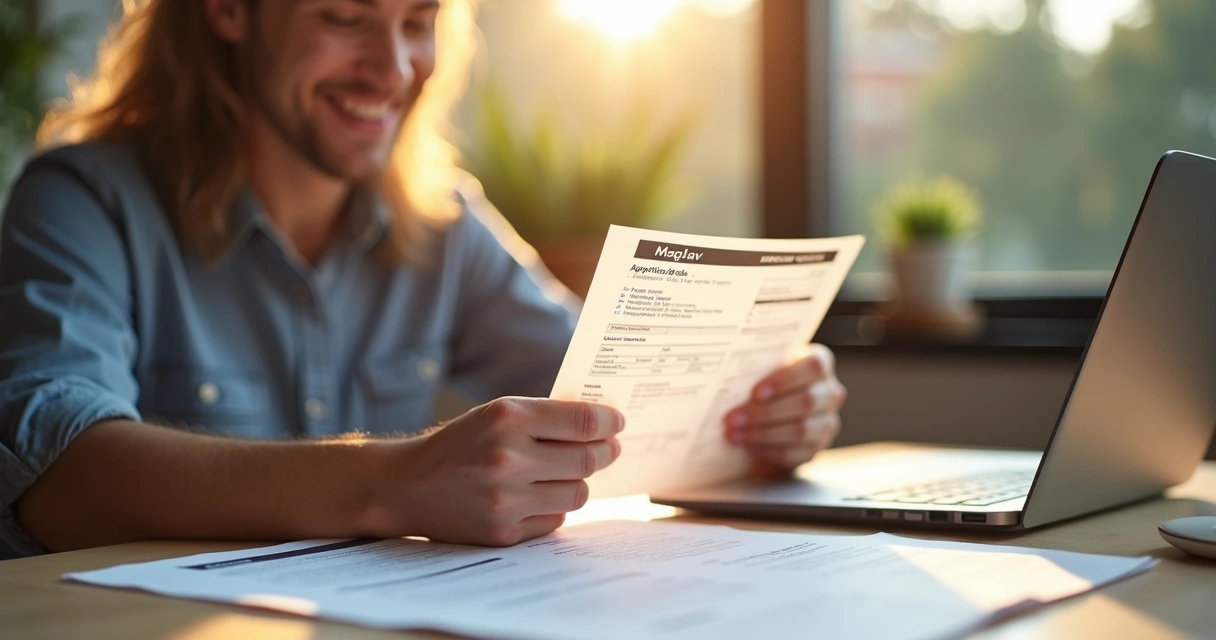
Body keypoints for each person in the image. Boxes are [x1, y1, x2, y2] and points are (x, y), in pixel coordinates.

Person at [0, 0, 847, 559]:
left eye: (419, 19)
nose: (396, 65)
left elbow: (615, 387)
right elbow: (57, 474)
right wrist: (390, 483)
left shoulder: (441, 219)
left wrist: (761, 410)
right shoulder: (82, 200)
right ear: (228, 10)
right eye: (347, 17)